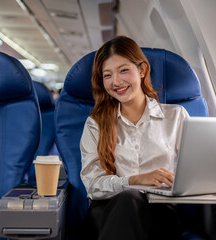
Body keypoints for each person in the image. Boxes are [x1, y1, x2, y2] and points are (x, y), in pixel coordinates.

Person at [79, 36, 189, 240]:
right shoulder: (96, 123)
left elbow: (192, 174)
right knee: (128, 200)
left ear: (142, 70)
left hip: (160, 211)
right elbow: (93, 184)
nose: (116, 82)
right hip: (108, 211)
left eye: (123, 70)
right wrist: (135, 181)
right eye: (107, 75)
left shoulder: (176, 116)